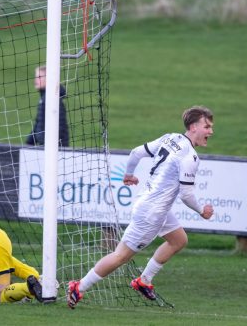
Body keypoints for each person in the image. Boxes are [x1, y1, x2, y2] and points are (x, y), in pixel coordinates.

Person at [66, 106, 215, 309]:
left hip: (150, 203)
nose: (210, 132)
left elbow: (136, 152)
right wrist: (201, 211)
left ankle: (144, 281)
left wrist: (128, 174)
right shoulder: (190, 157)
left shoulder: (170, 138)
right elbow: (186, 195)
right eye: (207, 126)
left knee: (179, 240)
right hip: (151, 214)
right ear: (193, 127)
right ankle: (79, 287)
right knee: (121, 256)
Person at [25, 65, 70, 147]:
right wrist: (29, 143)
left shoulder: (52, 99)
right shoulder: (44, 98)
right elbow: (38, 124)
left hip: (55, 149)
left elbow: (59, 127)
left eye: (39, 77)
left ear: (49, 79)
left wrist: (47, 145)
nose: (36, 80)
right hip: (46, 147)